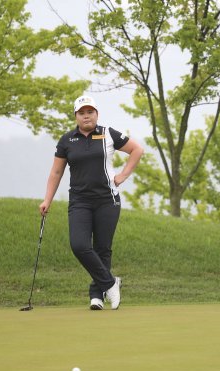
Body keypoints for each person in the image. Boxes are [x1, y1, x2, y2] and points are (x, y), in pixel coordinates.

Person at [39, 95, 144, 310]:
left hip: (108, 199)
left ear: (97, 114)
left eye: (90, 112)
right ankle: (110, 283)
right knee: (79, 245)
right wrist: (47, 199)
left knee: (103, 248)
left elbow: (137, 150)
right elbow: (56, 172)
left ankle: (96, 295)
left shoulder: (108, 134)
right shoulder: (67, 140)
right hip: (80, 201)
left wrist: (123, 175)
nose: (86, 116)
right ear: (76, 116)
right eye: (82, 113)